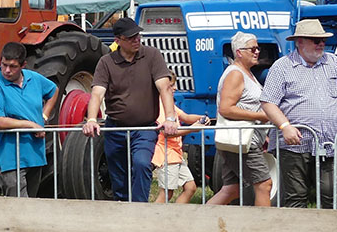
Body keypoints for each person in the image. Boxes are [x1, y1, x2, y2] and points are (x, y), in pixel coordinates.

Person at [260, 19, 337, 209]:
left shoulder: (333, 62)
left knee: (332, 196)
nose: (321, 44)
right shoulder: (282, 67)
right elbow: (268, 102)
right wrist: (285, 126)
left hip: (326, 142)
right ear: (299, 42)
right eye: (315, 40)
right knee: (296, 197)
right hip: (293, 144)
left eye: (322, 40)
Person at [82, 17, 178, 202]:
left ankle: (140, 209)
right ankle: (123, 208)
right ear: (118, 40)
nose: (137, 39)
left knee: (142, 164)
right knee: (118, 175)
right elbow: (97, 94)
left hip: (144, 128)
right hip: (115, 128)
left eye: (138, 35)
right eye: (131, 37)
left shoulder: (152, 55)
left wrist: (170, 118)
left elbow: (164, 88)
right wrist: (92, 119)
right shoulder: (106, 62)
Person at [207, 31, 274, 207]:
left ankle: (199, 221)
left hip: (242, 140)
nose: (257, 52)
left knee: (232, 189)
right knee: (264, 184)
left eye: (258, 48)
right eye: (252, 49)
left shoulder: (246, 73)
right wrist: (261, 117)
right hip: (242, 141)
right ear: (239, 52)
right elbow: (226, 109)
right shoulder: (235, 74)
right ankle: (262, 230)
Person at [0, 42, 59, 197]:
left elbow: (54, 91)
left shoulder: (35, 79)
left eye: (13, 66)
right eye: (4, 65)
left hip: (35, 155)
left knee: (30, 207)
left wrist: (44, 116)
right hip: (8, 158)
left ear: (23, 65)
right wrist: (31, 125)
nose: (7, 70)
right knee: (18, 208)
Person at [151, 71, 208, 204]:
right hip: (166, 155)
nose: (175, 88)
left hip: (176, 154)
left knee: (190, 187)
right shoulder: (159, 106)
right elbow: (167, 133)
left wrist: (201, 118)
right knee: (166, 193)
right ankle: (153, 219)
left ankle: (176, 215)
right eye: (171, 86)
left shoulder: (169, 104)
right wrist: (193, 128)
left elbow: (185, 117)